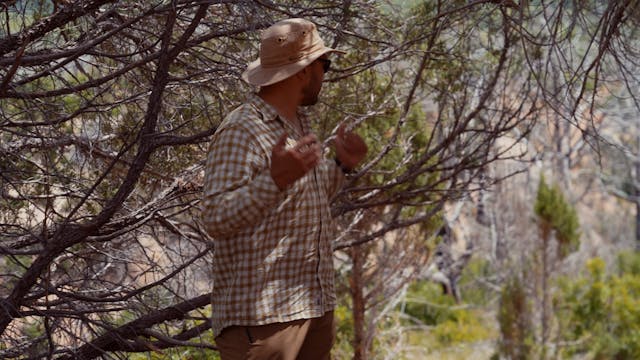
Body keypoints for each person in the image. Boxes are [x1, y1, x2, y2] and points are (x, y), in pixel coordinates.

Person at [201, 18, 368, 359]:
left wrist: (341, 166)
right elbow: (215, 217)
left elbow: (303, 200)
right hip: (264, 323)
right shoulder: (242, 129)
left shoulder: (296, 123)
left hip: (312, 309)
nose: (327, 74)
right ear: (305, 71)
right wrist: (274, 180)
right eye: (326, 64)